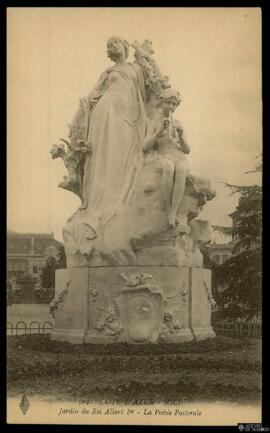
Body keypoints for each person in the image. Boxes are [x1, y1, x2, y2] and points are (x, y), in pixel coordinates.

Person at [143, 88, 190, 228]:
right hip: (163, 154)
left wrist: (180, 136)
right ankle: (169, 208)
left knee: (181, 171)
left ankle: (173, 212)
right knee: (168, 168)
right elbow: (145, 146)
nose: (171, 107)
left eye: (174, 104)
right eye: (168, 103)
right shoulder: (154, 123)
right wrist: (159, 132)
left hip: (178, 155)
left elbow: (187, 150)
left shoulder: (178, 123)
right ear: (162, 102)